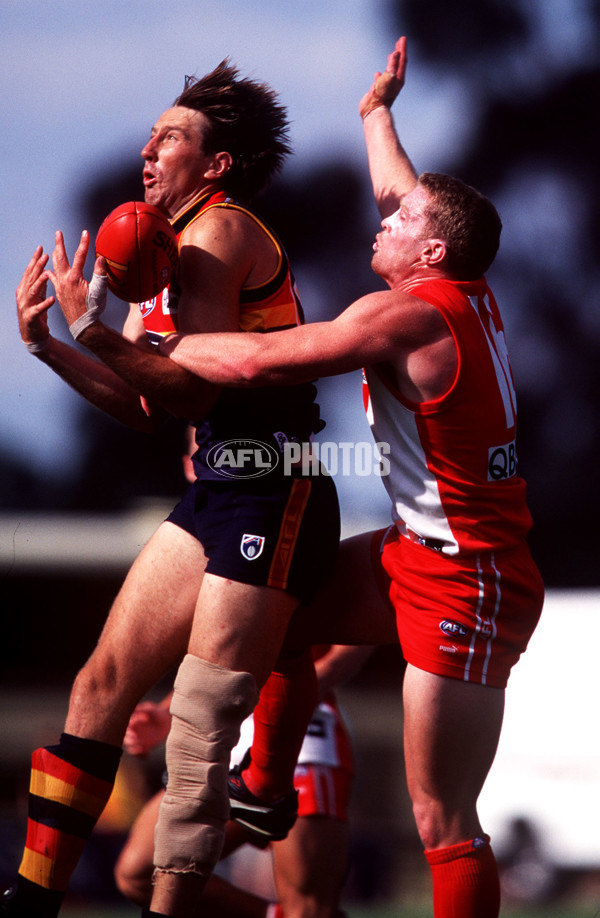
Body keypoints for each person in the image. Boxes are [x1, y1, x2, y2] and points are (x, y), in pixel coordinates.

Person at [158, 37, 545, 918]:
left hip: (471, 579)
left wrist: (156, 344)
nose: (387, 219)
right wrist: (377, 112)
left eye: (403, 225)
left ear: (431, 257)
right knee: (281, 605)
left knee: (442, 819)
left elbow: (267, 363)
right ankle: (264, 786)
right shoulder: (458, 275)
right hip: (423, 550)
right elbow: (405, 191)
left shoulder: (409, 317)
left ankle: (264, 786)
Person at [7, 60, 340, 918]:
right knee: (99, 683)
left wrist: (91, 329)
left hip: (277, 481)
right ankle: (32, 898)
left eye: (171, 138)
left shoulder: (219, 232)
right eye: (151, 137)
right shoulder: (154, 252)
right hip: (216, 489)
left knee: (196, 724)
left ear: (215, 166)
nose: (147, 151)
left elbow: (199, 387)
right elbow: (152, 409)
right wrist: (54, 346)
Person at [115, 643, 373, 918]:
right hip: (231, 730)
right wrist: (169, 711)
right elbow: (221, 643)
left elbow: (355, 640)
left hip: (300, 732)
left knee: (309, 907)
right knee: (140, 873)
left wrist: (292, 695)